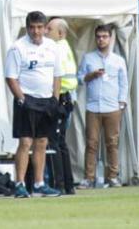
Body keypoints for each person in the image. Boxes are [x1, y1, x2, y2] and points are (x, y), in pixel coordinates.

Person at [5, 11, 62, 198]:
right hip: (27, 99)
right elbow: (11, 77)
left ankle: (39, 183)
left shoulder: (52, 46)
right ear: (27, 27)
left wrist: (55, 98)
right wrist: (22, 99)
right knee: (25, 141)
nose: (36, 31)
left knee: (42, 142)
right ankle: (19, 183)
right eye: (32, 27)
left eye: (39, 27)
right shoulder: (17, 47)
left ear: (45, 28)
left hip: (46, 100)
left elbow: (57, 75)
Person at [77, 24, 128, 189]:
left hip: (112, 107)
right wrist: (91, 75)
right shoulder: (88, 58)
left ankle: (112, 176)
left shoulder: (118, 60)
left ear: (110, 38)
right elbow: (79, 78)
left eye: (104, 36)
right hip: (93, 106)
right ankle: (89, 177)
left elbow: (123, 83)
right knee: (91, 143)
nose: (101, 40)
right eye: (98, 37)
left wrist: (121, 103)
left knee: (112, 143)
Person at [45, 18, 78, 195]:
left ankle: (58, 184)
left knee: (54, 143)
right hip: (67, 98)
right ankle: (68, 184)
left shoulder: (56, 49)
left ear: (60, 33)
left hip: (59, 98)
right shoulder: (65, 47)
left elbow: (55, 76)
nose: (44, 32)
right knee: (61, 143)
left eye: (49, 29)